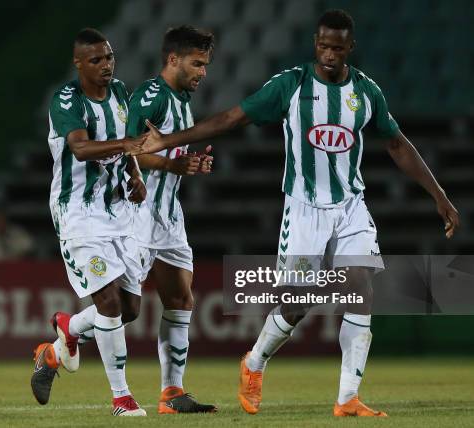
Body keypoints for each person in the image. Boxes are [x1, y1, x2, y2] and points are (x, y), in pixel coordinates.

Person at [140, 9, 460, 417]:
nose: (329, 53)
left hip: (350, 206)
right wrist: (169, 139)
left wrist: (440, 195)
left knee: (360, 290)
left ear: (350, 48)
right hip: (304, 209)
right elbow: (232, 117)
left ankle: (347, 398)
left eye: (337, 47)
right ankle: (254, 362)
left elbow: (397, 144)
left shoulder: (365, 91)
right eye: (323, 45)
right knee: (297, 303)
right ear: (316, 43)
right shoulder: (290, 85)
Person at [30, 28, 148, 417]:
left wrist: (135, 174)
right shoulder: (67, 100)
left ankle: (66, 333)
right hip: (77, 213)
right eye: (96, 59)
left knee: (130, 308)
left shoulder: (120, 93)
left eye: (109, 57)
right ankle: (122, 398)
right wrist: (128, 148)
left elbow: (126, 141)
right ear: (78, 64)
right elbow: (80, 148)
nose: (106, 65)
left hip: (117, 212)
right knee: (109, 302)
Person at [126, 25, 216, 414]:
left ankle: (171, 393)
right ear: (172, 59)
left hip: (169, 215)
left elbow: (171, 161)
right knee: (123, 309)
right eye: (196, 63)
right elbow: (126, 151)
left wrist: (190, 165)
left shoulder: (182, 101)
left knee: (180, 297)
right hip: (138, 212)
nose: (202, 72)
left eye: (206, 65)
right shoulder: (151, 96)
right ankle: (62, 339)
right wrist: (171, 163)